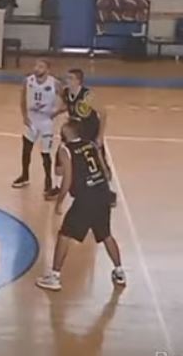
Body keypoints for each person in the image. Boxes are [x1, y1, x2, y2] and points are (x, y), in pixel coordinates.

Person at [36, 120, 126, 291]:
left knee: (64, 235)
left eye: (63, 130)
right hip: (102, 195)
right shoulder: (91, 145)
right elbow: (106, 172)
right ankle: (119, 271)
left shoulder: (65, 150)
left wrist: (59, 202)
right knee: (106, 235)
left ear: (68, 133)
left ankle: (55, 277)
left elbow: (67, 179)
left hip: (85, 199)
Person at [54, 68, 117, 206]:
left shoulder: (87, 96)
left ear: (78, 81)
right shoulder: (66, 92)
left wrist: (100, 136)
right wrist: (55, 112)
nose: (67, 80)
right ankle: (59, 186)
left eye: (70, 78)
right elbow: (69, 106)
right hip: (74, 131)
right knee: (61, 160)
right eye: (67, 78)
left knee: (98, 163)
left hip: (90, 132)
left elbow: (103, 113)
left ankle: (108, 193)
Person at [12, 59, 60, 198]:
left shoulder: (55, 83)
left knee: (45, 154)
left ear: (48, 69)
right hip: (32, 121)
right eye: (36, 66)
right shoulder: (28, 81)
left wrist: (56, 112)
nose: (37, 68)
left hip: (46, 123)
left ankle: (48, 181)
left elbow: (65, 100)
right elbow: (22, 99)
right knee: (26, 150)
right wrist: (24, 116)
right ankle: (25, 175)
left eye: (41, 66)